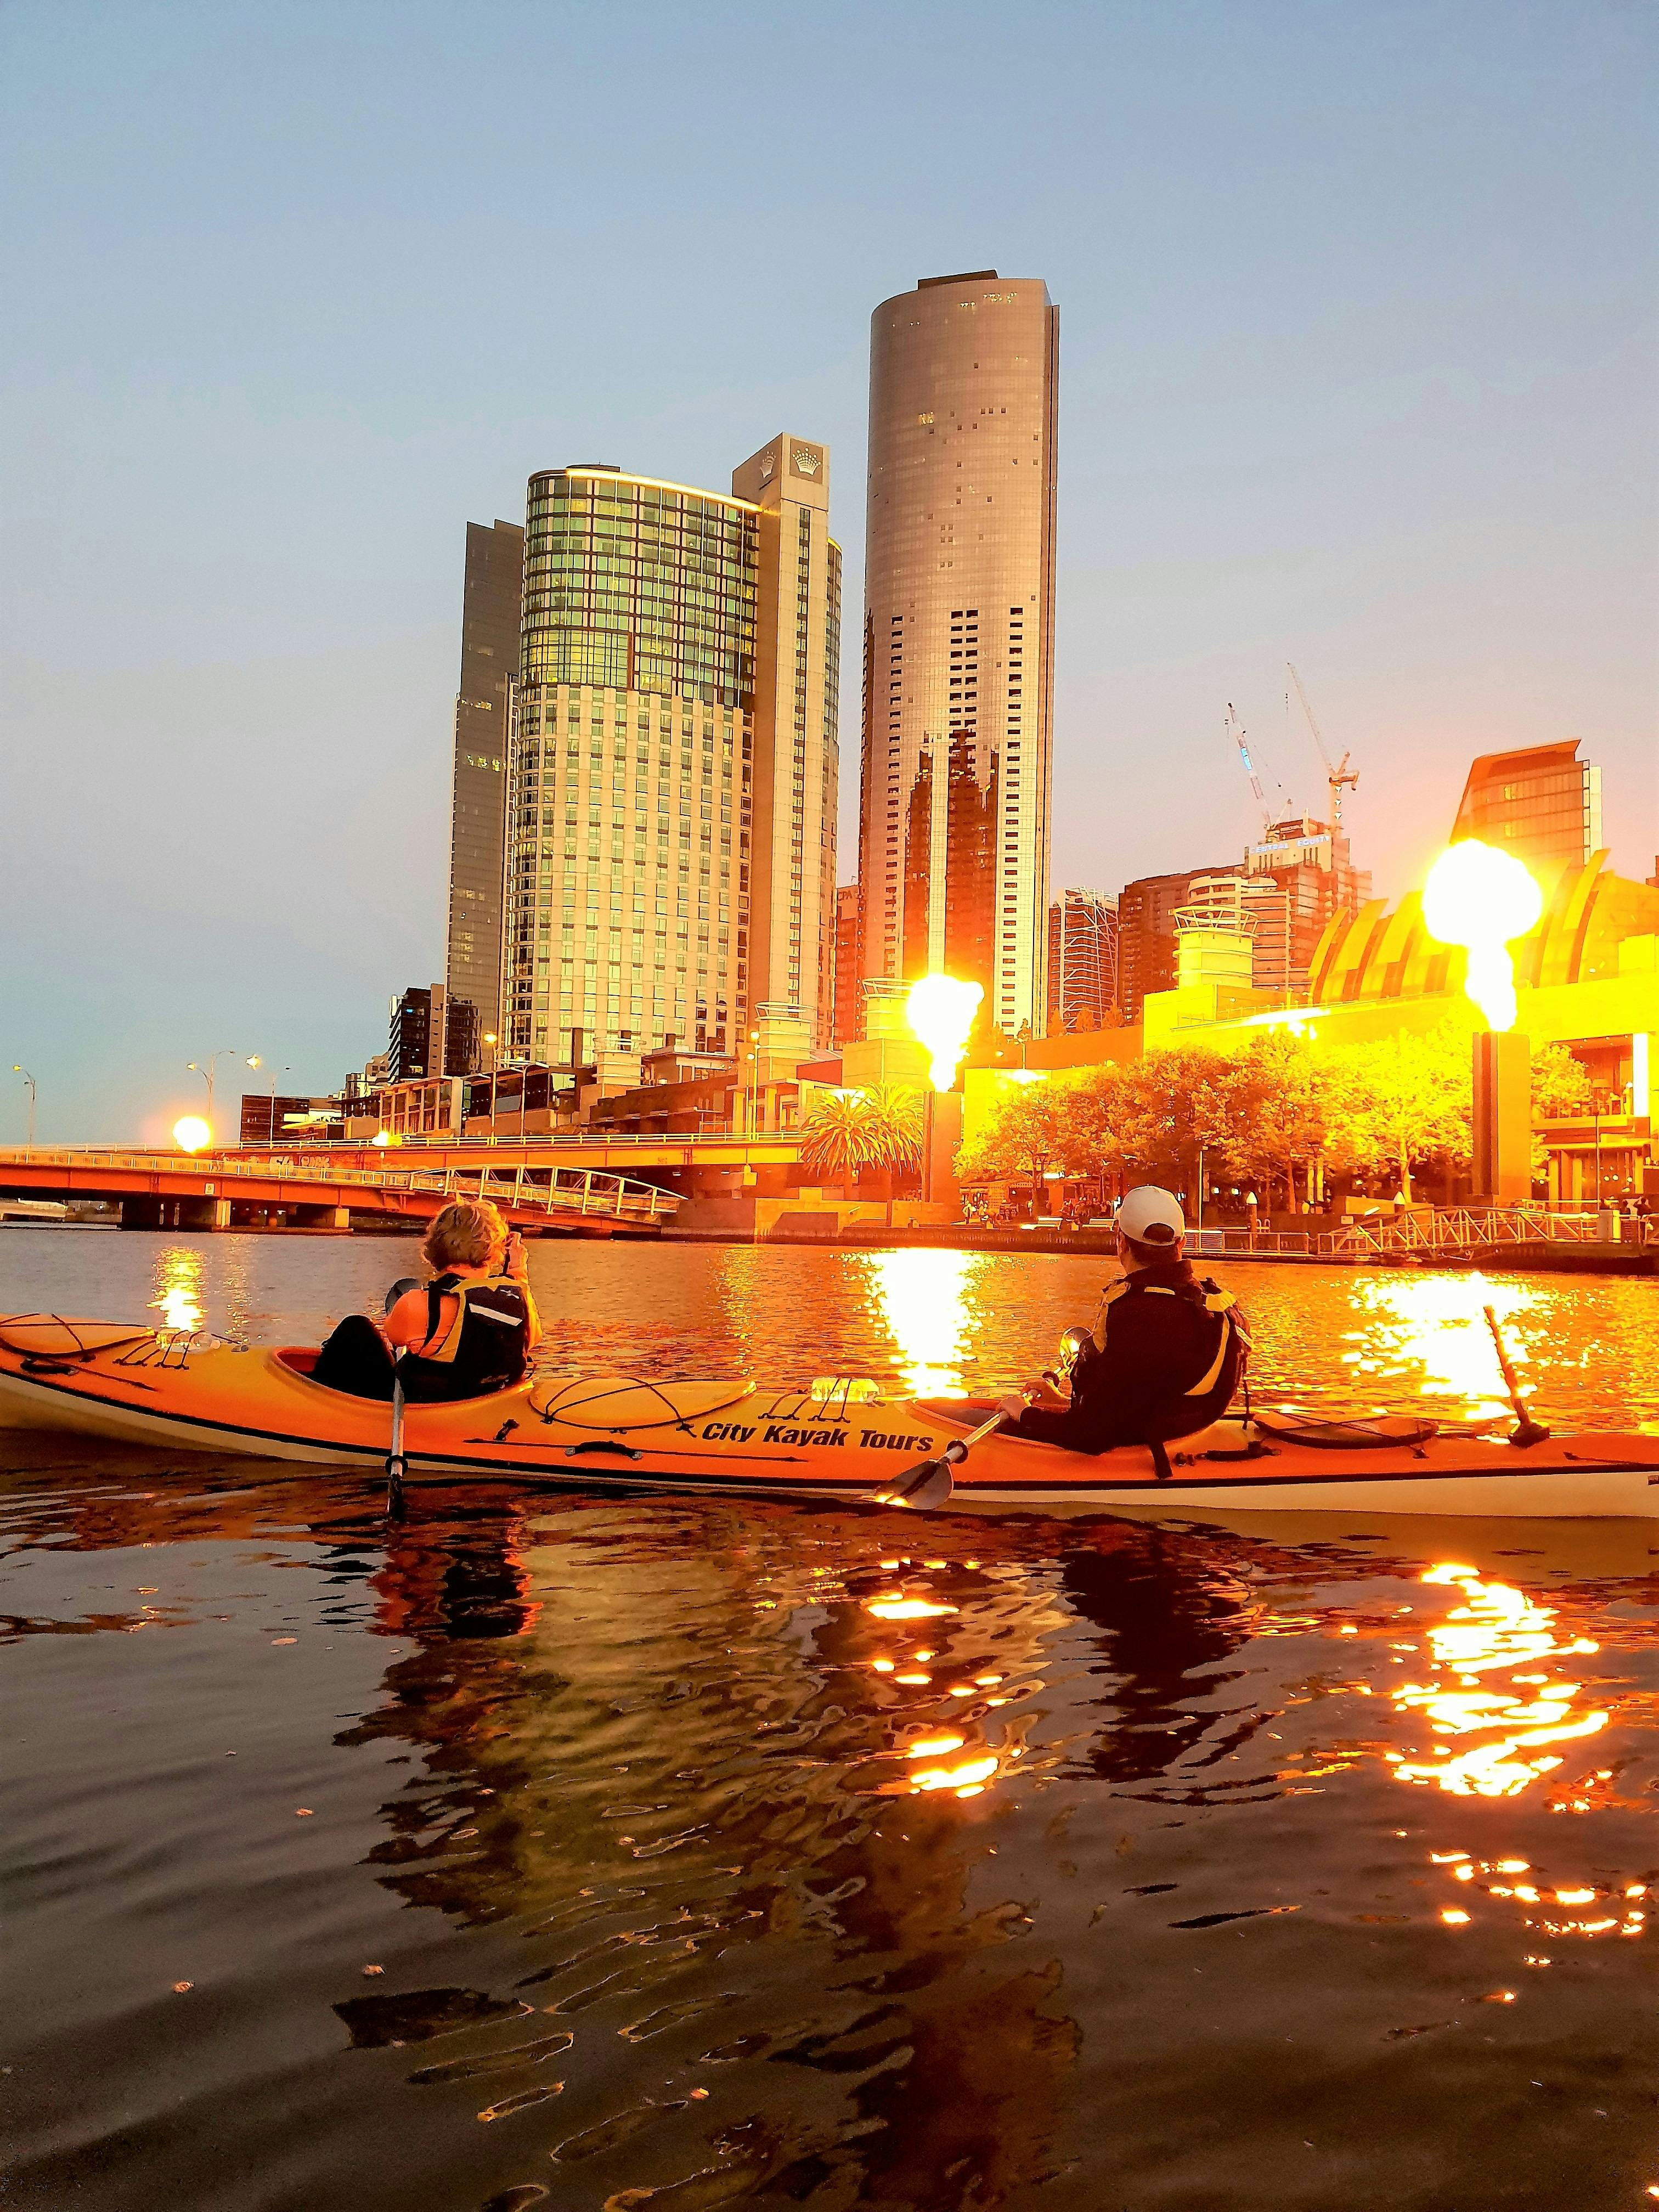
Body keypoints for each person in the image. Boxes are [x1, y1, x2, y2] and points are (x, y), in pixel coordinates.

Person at [997, 1184, 1249, 1456]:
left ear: (1122, 1242)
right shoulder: (1213, 1302)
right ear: (1182, 1243)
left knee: (962, 1415)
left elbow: (1092, 1436)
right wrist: (1057, 1403)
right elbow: (1149, 1397)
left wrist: (1026, 1415)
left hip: (1140, 1447)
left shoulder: (1139, 1315)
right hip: (1180, 1432)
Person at [311, 1198, 540, 1403]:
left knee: (355, 1328)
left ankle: (312, 1402)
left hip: (430, 1404)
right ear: (494, 1252)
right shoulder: (518, 1299)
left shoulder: (420, 1302)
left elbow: (395, 1336)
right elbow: (533, 1339)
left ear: (435, 1247)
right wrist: (518, 1270)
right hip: (483, 1401)